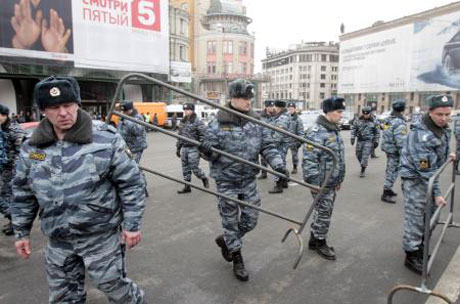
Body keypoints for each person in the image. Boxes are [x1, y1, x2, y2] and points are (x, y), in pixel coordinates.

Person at [11, 76, 146, 303]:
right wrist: (21, 232)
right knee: (63, 297)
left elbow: (131, 182)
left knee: (116, 290)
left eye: (68, 105)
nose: (63, 113)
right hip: (58, 240)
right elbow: (23, 192)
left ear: (77, 104)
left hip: (100, 237)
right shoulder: (32, 147)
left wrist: (132, 226)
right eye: (54, 107)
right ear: (43, 110)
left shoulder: (105, 139)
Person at [199, 78, 286, 281]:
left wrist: (279, 166)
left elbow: (268, 146)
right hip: (226, 181)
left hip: (248, 179)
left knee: (250, 219)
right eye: (244, 97)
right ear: (233, 98)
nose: (249, 101)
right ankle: (236, 258)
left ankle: (228, 241)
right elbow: (209, 152)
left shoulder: (256, 122)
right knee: (230, 222)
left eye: (250, 97)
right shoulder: (217, 123)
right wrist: (205, 151)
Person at [399, 94, 455, 275]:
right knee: (416, 218)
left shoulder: (441, 128)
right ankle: (411, 254)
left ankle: (420, 246)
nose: (444, 118)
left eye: (447, 114)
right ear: (430, 112)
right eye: (440, 114)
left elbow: (438, 151)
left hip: (428, 178)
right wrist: (437, 193)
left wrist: (449, 156)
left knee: (429, 216)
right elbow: (427, 172)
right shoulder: (420, 135)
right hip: (415, 181)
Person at [303, 97, 346, 261]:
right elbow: (309, 160)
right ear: (328, 111)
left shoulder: (332, 129)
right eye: (339, 112)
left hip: (331, 180)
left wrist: (338, 179)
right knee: (324, 212)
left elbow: (337, 158)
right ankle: (320, 241)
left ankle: (314, 240)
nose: (341, 115)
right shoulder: (317, 132)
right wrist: (313, 182)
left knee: (322, 211)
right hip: (321, 182)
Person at [0, 104, 25, 236]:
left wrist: (17, 172)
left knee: (11, 197)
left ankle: (16, 224)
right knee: (5, 196)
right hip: (5, 168)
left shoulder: (15, 130)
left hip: (14, 169)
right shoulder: (1, 129)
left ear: (4, 115)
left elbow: (21, 152)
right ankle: (12, 221)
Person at [176, 103, 209, 194]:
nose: (186, 111)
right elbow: (180, 135)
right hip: (184, 148)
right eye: (185, 110)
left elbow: (203, 135)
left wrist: (202, 148)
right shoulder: (182, 121)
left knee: (194, 167)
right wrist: (178, 148)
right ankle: (187, 186)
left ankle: (203, 178)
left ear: (192, 110)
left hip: (194, 148)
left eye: (188, 109)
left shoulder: (198, 121)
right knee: (185, 168)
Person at [118, 100, 148, 196]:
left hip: (136, 147)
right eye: (123, 111)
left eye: (125, 111)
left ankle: (143, 187)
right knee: (132, 166)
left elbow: (137, 130)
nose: (123, 112)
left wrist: (126, 120)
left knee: (134, 166)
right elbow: (120, 130)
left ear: (130, 109)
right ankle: (139, 186)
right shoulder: (124, 116)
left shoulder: (137, 117)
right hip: (126, 146)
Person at [380, 99, 408, 204]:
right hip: (395, 151)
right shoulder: (399, 122)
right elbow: (400, 141)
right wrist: (404, 155)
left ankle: (388, 188)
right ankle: (386, 192)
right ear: (403, 109)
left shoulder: (389, 119)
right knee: (392, 170)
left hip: (389, 148)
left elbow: (385, 131)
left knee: (391, 169)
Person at [268, 100, 291, 194]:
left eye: (275, 107)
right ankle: (284, 181)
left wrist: (272, 143)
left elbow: (279, 133)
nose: (274, 108)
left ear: (278, 107)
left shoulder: (283, 118)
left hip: (280, 144)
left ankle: (278, 185)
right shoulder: (282, 116)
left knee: (277, 164)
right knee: (282, 162)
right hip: (282, 143)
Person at [350, 106, 380, 177]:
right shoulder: (358, 120)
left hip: (369, 141)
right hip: (360, 140)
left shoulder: (375, 121)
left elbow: (377, 132)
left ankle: (363, 169)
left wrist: (376, 141)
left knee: (365, 156)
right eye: (364, 114)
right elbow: (354, 129)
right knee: (358, 154)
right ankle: (363, 164)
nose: (366, 115)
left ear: (370, 113)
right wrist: (352, 137)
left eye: (367, 114)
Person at [258, 99, 276, 180]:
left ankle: (278, 175)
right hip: (264, 140)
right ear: (266, 107)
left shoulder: (276, 116)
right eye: (270, 106)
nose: (272, 108)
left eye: (272, 106)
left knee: (275, 158)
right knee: (263, 158)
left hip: (274, 140)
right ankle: (264, 173)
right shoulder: (261, 117)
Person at [286, 102, 305, 174]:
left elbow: (301, 131)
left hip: (293, 140)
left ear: (294, 109)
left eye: (291, 109)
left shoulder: (298, 119)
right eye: (289, 109)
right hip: (285, 140)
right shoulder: (285, 118)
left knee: (294, 155)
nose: (290, 110)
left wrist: (300, 141)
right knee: (282, 155)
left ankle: (295, 167)